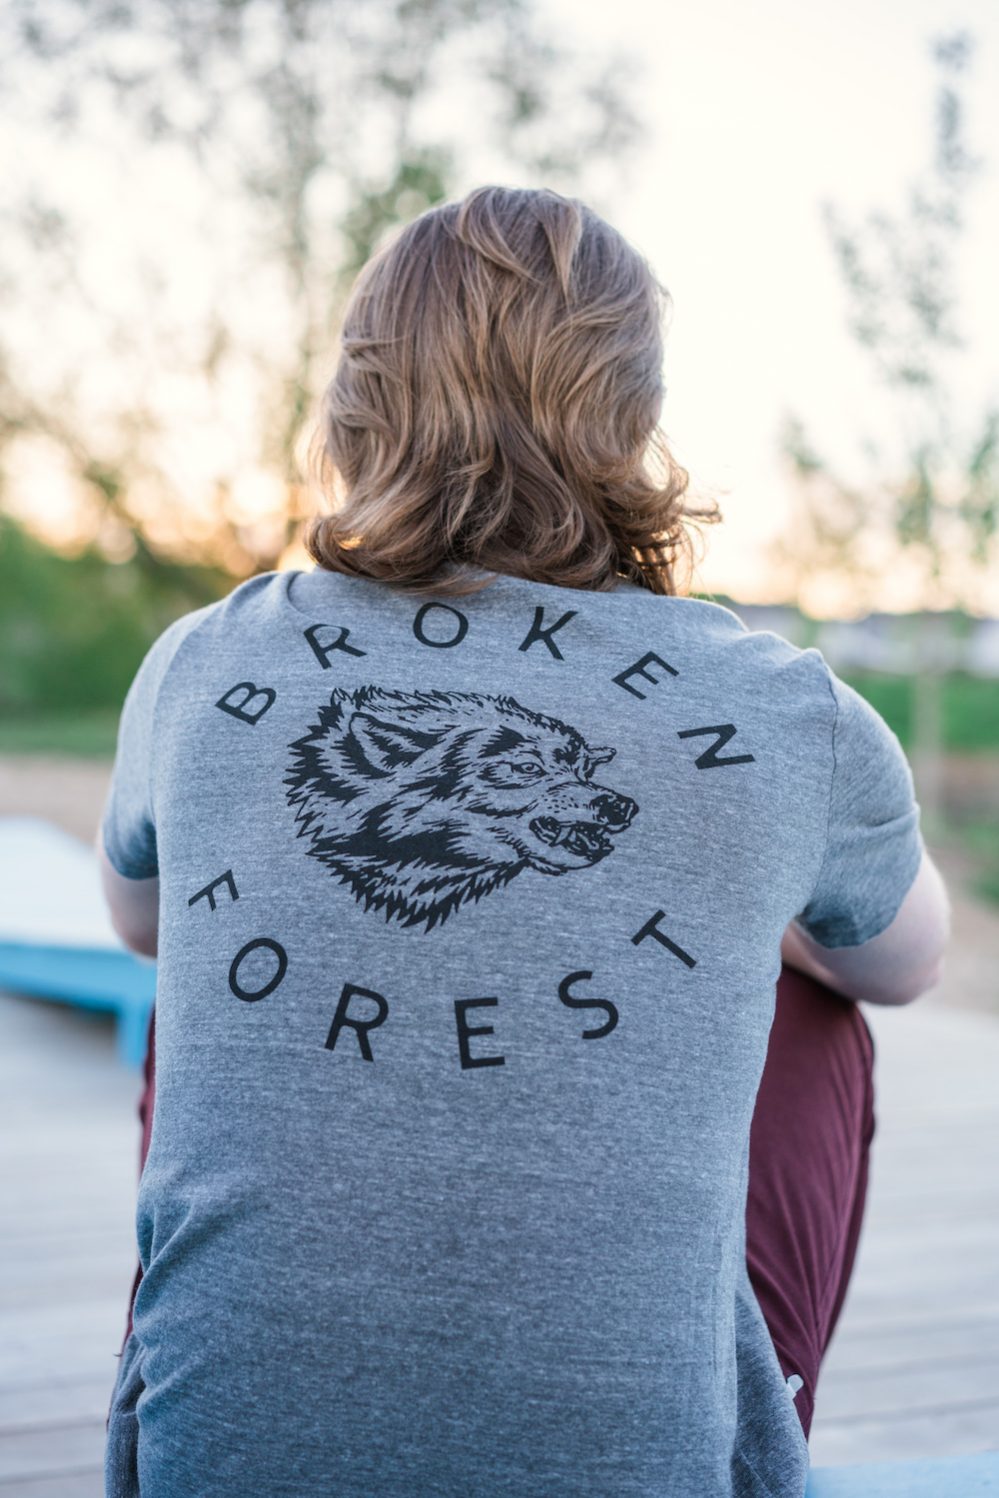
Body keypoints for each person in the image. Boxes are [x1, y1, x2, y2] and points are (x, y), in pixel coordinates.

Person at [97, 184, 951, 1498]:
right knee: (822, 1007)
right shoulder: (785, 708)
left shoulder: (204, 662)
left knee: (193, 971)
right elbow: (905, 962)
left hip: (212, 1468)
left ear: (358, 403)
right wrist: (740, 893)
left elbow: (140, 920)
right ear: (634, 415)